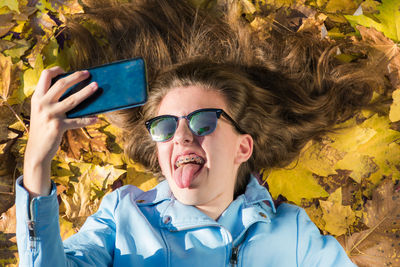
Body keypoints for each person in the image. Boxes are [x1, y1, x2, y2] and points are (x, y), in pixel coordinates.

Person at [16, 0, 382, 266]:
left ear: (243, 146)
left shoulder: (293, 236)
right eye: (165, 125)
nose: (182, 137)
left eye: (203, 122)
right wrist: (36, 160)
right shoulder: (123, 218)